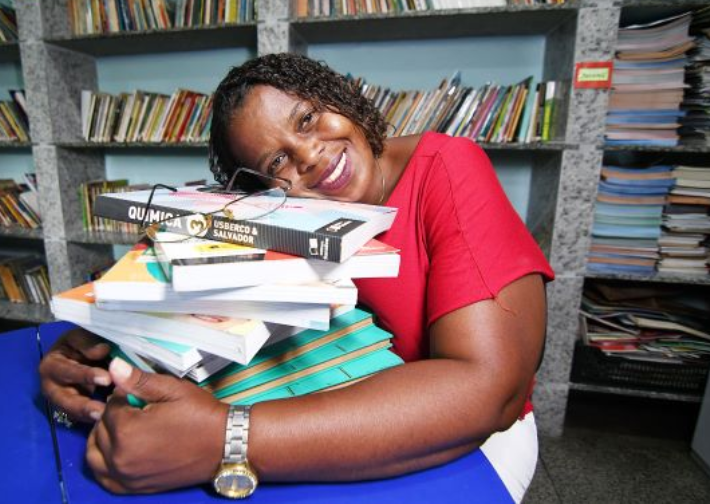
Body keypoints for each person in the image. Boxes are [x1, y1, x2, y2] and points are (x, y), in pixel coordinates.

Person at [39, 53, 554, 502]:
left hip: (469, 443)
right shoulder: (286, 211)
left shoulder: (447, 166)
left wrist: (227, 439)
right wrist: (98, 343)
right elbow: (207, 285)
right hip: (337, 409)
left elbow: (491, 390)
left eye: (308, 118)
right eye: (278, 160)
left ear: (342, 98)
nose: (308, 156)